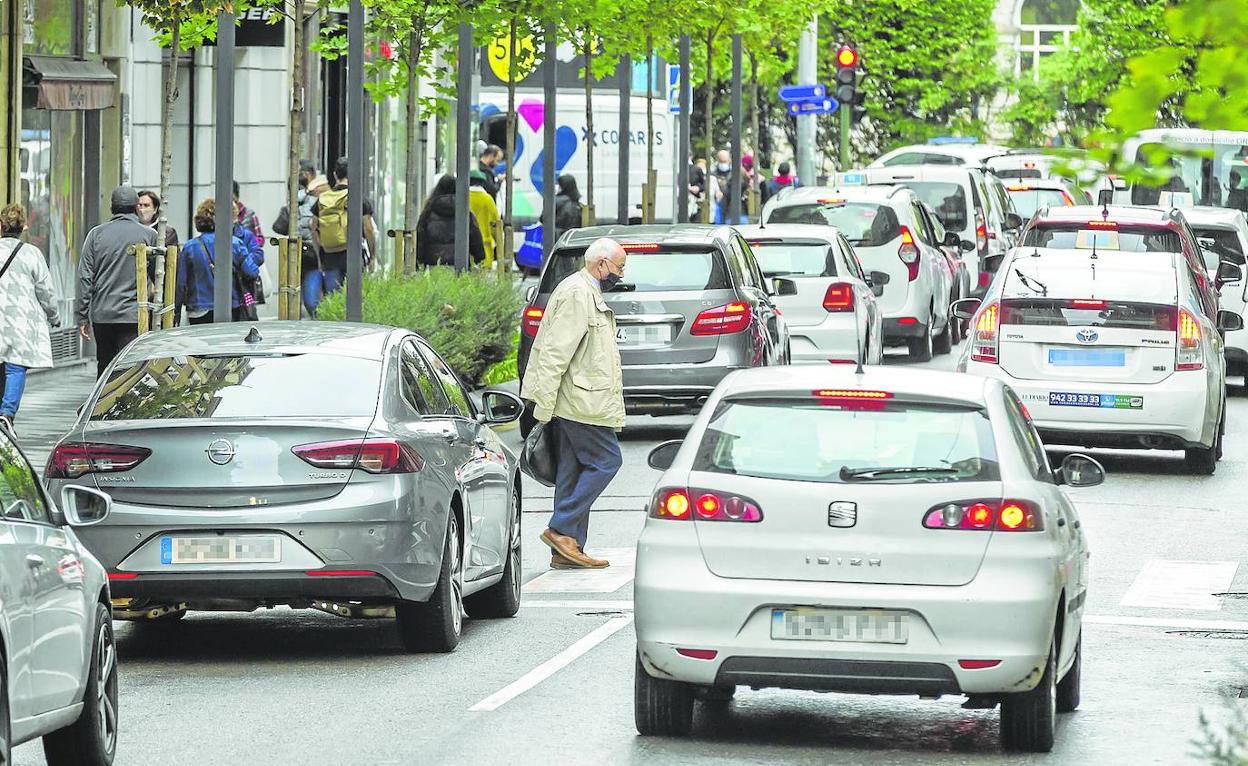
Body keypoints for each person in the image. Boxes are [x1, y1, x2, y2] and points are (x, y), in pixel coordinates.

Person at [521, 238, 627, 569]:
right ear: (601, 264)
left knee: (573, 467)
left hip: (579, 396)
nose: (621, 274)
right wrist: (544, 404)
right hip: (580, 400)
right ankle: (561, 528)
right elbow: (555, 352)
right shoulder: (578, 293)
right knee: (608, 461)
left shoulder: (583, 290)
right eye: (619, 267)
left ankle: (568, 550)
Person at [76, 185, 158, 379]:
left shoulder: (95, 235)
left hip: (103, 315)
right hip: (134, 315)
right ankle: (125, 406)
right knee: (130, 367)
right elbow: (158, 277)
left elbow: (85, 277)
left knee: (105, 365)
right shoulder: (149, 235)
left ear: (112, 207)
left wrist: (82, 316)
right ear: (136, 207)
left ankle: (102, 406)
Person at [0, 203, 58, 432]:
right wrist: (54, 316)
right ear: (24, 226)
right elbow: (46, 291)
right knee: (15, 368)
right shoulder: (32, 254)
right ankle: (6, 415)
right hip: (21, 321)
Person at [175, 198, 262, 325]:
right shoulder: (235, 243)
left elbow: (181, 284)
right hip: (230, 306)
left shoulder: (190, 247)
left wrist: (176, 311)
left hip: (198, 308)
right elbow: (252, 272)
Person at [309, 157, 378, 297]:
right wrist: (372, 255)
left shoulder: (323, 199)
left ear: (335, 175)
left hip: (330, 257)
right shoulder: (358, 198)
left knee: (333, 299)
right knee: (355, 300)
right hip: (353, 256)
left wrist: (320, 256)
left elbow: (313, 227)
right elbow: (368, 229)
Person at [272, 170, 322, 316]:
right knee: (312, 302)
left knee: (292, 302)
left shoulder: (289, 207)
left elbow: (277, 227)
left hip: (292, 256)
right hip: (313, 256)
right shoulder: (316, 204)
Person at [415, 174, 485, 267]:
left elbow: (420, 238)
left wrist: (419, 261)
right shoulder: (464, 212)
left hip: (434, 266)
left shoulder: (428, 211)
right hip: (460, 266)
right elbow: (475, 237)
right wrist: (478, 257)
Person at [469, 172, 501, 268]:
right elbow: (496, 225)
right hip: (485, 250)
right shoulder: (488, 200)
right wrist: (500, 245)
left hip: (466, 250)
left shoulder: (463, 198)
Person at [547, 174, 584, 246]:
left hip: (556, 239)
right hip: (571, 240)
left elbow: (544, 218)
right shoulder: (576, 204)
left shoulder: (556, 201)